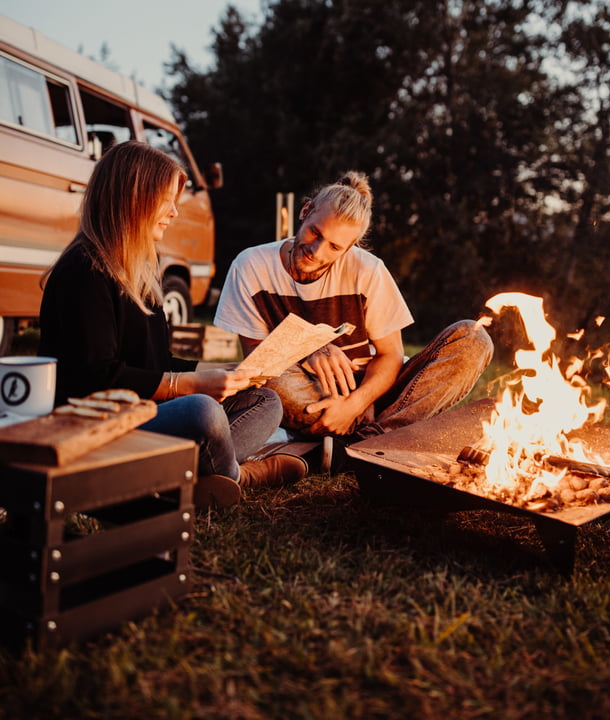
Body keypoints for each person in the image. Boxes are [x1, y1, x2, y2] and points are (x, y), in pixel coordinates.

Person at [38, 141, 307, 508]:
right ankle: (240, 476)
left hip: (143, 413)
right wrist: (191, 385)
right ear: (136, 198)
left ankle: (197, 474)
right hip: (98, 425)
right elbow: (95, 379)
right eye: (168, 200)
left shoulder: (141, 269)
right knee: (202, 411)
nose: (175, 212)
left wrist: (222, 371)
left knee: (265, 400)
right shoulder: (85, 270)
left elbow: (156, 363)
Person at [214, 170, 494, 467]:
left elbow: (390, 356)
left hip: (378, 396)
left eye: (335, 247)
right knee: (269, 382)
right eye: (315, 233)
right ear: (305, 212)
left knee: (473, 338)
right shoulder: (251, 265)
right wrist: (309, 347)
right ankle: (377, 446)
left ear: (350, 248)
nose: (317, 251)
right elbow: (258, 363)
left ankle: (362, 442)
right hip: (306, 392)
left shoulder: (367, 270)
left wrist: (357, 403)